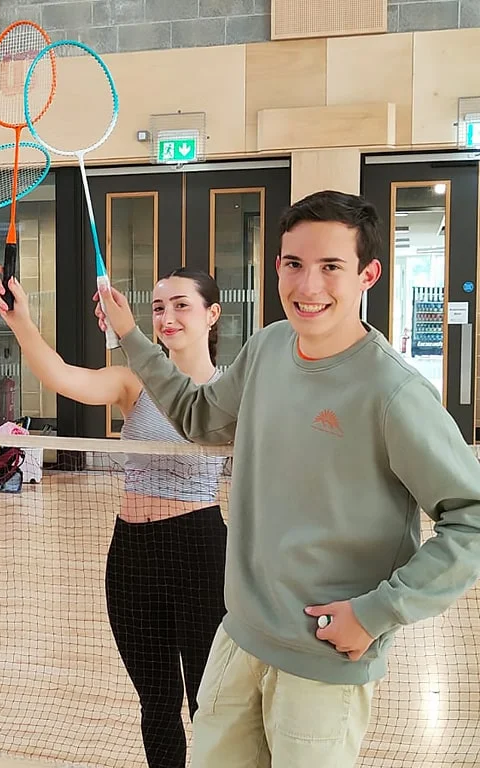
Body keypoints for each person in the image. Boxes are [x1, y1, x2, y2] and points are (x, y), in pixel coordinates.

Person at [95, 189, 480, 768]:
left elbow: (470, 520)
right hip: (239, 638)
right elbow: (199, 415)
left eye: (331, 267)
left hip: (325, 658)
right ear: (276, 265)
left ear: (368, 274)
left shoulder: (393, 392)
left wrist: (375, 614)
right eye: (295, 264)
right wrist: (132, 336)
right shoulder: (268, 347)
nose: (308, 286)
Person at [0, 265, 228, 768]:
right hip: (132, 557)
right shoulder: (132, 383)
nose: (167, 317)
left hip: (200, 554)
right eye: (159, 307)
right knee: (157, 702)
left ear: (212, 314)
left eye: (181, 305)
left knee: (208, 703)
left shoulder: (228, 391)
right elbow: (61, 376)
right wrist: (22, 325)